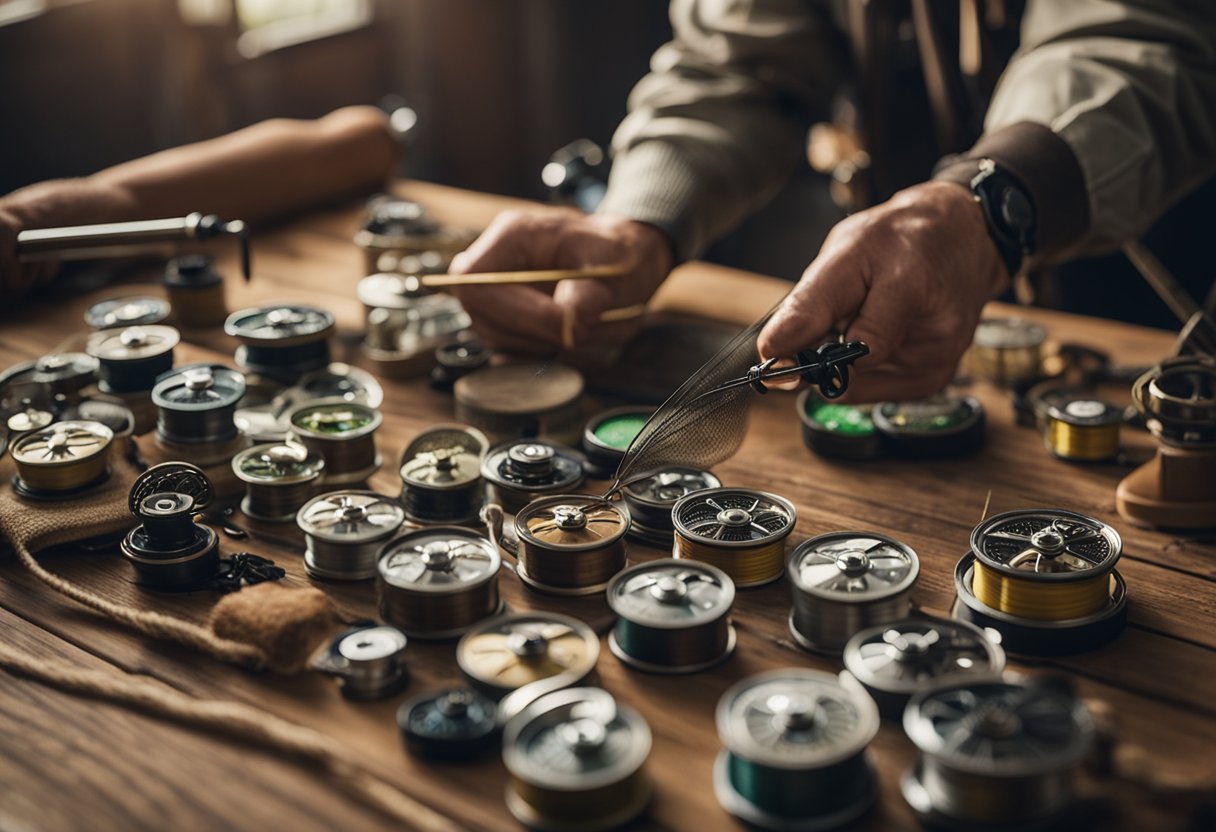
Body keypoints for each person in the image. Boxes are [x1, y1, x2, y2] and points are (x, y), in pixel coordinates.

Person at [451, 0, 1216, 402]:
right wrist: (639, 222)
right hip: (935, 291)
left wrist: (982, 209)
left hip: (1158, 300)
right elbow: (739, 65)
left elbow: (1143, 43)